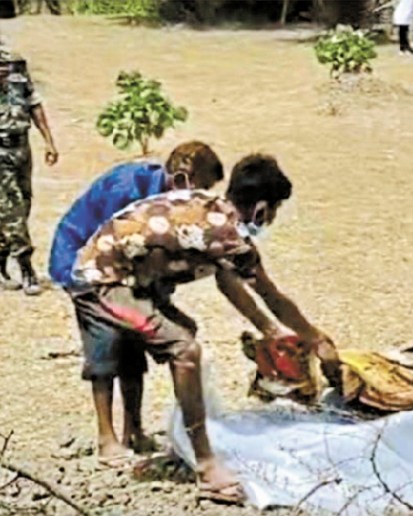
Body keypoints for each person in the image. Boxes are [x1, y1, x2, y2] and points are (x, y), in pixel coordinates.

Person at [70, 153, 337, 503]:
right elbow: (270, 294)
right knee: (185, 351)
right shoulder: (226, 236)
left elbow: (229, 282)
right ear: (261, 209)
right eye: (274, 210)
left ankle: (137, 433)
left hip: (127, 276)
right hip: (99, 280)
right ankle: (206, 465)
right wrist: (317, 340)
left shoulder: (212, 209)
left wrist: (269, 330)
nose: (272, 219)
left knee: (183, 333)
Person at [49, 141, 223, 466]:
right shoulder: (127, 187)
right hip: (85, 266)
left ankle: (133, 430)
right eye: (199, 189)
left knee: (134, 345)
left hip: (127, 274)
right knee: (104, 344)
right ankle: (106, 438)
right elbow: (107, 244)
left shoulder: (165, 199)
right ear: (183, 178)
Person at [0, 46, 58, 295]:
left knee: (22, 205)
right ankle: (27, 269)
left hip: (22, 148)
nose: (4, 70)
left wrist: (49, 141)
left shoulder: (17, 69)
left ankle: (1, 261)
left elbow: (34, 105)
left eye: (5, 67)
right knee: (12, 210)